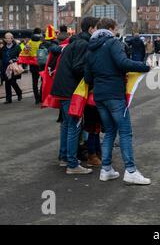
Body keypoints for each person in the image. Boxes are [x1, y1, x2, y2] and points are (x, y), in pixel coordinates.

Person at [85, 18, 151, 185]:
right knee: (125, 132)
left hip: (99, 96)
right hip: (114, 94)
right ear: (110, 29)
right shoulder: (113, 43)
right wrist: (144, 66)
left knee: (109, 132)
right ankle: (130, 170)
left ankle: (106, 169)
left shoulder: (91, 47)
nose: (116, 32)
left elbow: (87, 77)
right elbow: (122, 63)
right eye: (115, 29)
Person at [51, 17, 100, 175]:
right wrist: (91, 77)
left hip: (63, 88)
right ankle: (72, 164)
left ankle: (65, 157)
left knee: (67, 125)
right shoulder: (84, 44)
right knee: (74, 125)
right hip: (71, 90)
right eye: (97, 28)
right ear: (91, 29)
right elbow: (79, 67)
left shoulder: (76, 41)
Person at [1, 33, 22, 104]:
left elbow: (20, 57)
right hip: (5, 68)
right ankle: (8, 99)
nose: (7, 39)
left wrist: (14, 60)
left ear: (12, 38)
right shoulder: (3, 48)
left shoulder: (17, 47)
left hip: (14, 67)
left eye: (9, 38)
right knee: (7, 83)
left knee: (13, 82)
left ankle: (19, 92)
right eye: (6, 38)